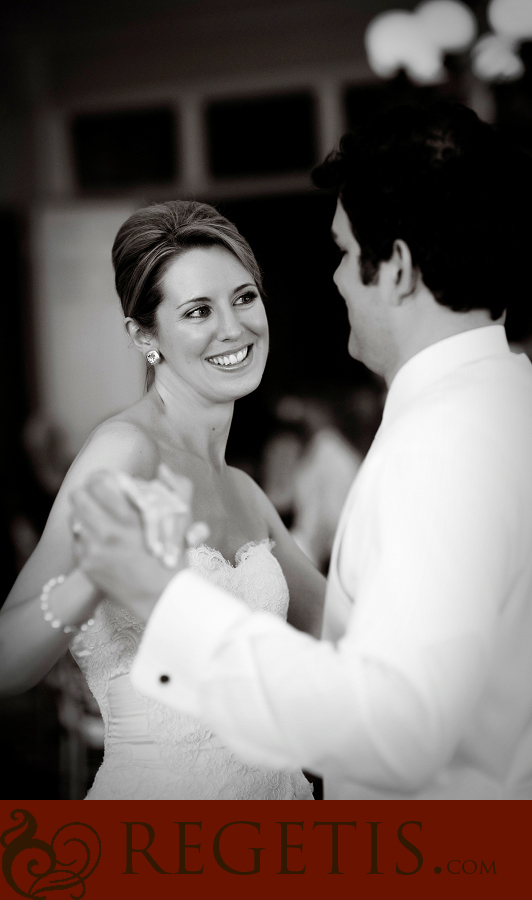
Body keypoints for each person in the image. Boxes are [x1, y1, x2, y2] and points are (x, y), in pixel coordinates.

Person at [71, 101, 532, 800]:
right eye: (197, 310)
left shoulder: (444, 441)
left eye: (347, 254)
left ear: (398, 268)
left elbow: (397, 732)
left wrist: (160, 596)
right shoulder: (509, 402)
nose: (337, 279)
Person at [0, 200, 326, 800]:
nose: (233, 327)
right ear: (145, 336)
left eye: (244, 297)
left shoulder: (246, 492)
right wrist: (99, 573)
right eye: (198, 310)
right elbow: (7, 661)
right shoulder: (124, 452)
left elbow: (342, 633)